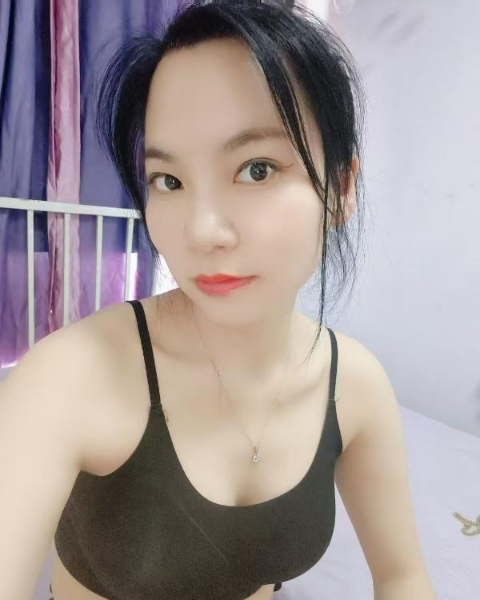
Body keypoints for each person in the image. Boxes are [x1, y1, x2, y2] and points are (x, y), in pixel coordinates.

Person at [0, 1, 437, 599]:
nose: (202, 231)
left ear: (340, 190)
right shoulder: (68, 377)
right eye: (169, 181)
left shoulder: (357, 387)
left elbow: (403, 577)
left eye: (257, 169)